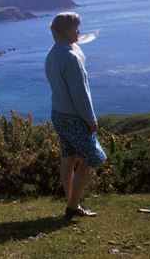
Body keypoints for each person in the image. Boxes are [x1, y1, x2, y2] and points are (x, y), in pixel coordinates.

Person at [45, 12, 107, 217]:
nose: (79, 31)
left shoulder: (53, 53)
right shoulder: (70, 57)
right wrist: (91, 120)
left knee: (68, 158)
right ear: (64, 31)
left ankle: (72, 202)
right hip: (74, 116)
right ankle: (73, 206)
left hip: (59, 113)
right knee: (88, 159)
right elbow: (80, 93)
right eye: (75, 28)